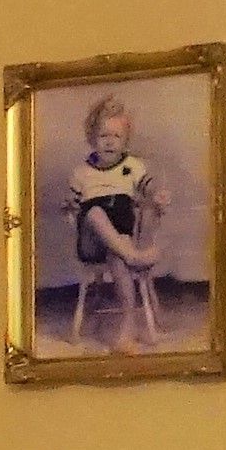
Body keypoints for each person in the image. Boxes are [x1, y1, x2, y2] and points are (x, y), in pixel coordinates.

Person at [56, 95, 163, 353]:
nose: (109, 142)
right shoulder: (82, 172)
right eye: (103, 136)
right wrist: (68, 207)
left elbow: (149, 189)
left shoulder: (132, 167)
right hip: (91, 240)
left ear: (125, 140)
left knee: (119, 253)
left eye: (116, 136)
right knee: (93, 212)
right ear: (93, 139)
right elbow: (70, 203)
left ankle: (127, 325)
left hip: (120, 237)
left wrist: (157, 196)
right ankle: (134, 256)